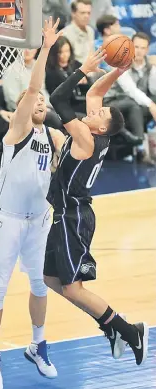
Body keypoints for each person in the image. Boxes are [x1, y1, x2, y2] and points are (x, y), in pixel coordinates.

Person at [43, 48, 149, 367]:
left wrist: (81, 69)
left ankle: (128, 330)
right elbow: (94, 92)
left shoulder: (85, 139)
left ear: (100, 128)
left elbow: (59, 100)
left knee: (72, 289)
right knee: (50, 280)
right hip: (69, 214)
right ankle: (112, 326)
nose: (93, 111)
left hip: (73, 217)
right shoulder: (95, 131)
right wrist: (117, 71)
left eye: (98, 114)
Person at [0, 17, 66, 389]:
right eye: (34, 99)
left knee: (39, 285)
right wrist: (46, 47)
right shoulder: (16, 131)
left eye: (43, 101)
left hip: (39, 220)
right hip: (10, 219)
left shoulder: (53, 136)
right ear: (22, 107)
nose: (40, 101)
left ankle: (38, 344)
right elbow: (34, 87)